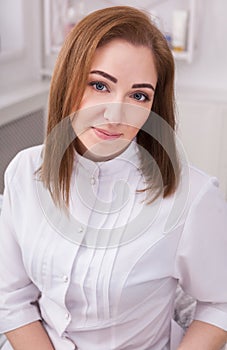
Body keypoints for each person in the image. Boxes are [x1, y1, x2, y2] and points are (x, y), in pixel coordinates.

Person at [0, 5, 227, 350]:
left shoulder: (192, 197)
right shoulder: (24, 172)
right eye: (99, 85)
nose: (116, 114)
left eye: (138, 96)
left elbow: (220, 304)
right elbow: (12, 298)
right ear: (68, 79)